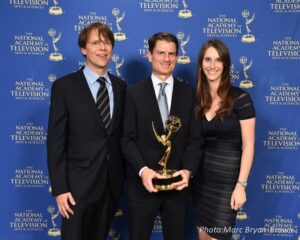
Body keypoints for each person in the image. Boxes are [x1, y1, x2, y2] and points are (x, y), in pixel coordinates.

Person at [47, 22, 126, 240]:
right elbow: (56, 142)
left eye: (107, 43)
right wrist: (60, 188)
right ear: (84, 49)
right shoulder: (64, 87)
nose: (103, 48)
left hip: (111, 186)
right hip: (76, 189)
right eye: (95, 43)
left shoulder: (121, 87)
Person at [121, 32, 203, 240]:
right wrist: (143, 170)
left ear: (177, 57)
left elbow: (195, 140)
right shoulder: (132, 94)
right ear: (149, 55)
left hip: (177, 187)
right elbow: (127, 140)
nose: (166, 59)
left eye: (172, 54)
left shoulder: (191, 95)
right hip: (142, 187)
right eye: (161, 53)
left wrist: (187, 171)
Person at [192, 39, 256, 240]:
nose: (212, 65)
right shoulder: (197, 100)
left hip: (228, 185)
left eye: (218, 60)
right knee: (203, 237)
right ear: (201, 64)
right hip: (201, 182)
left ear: (225, 64)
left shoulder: (241, 98)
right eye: (207, 59)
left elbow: (249, 145)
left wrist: (241, 185)